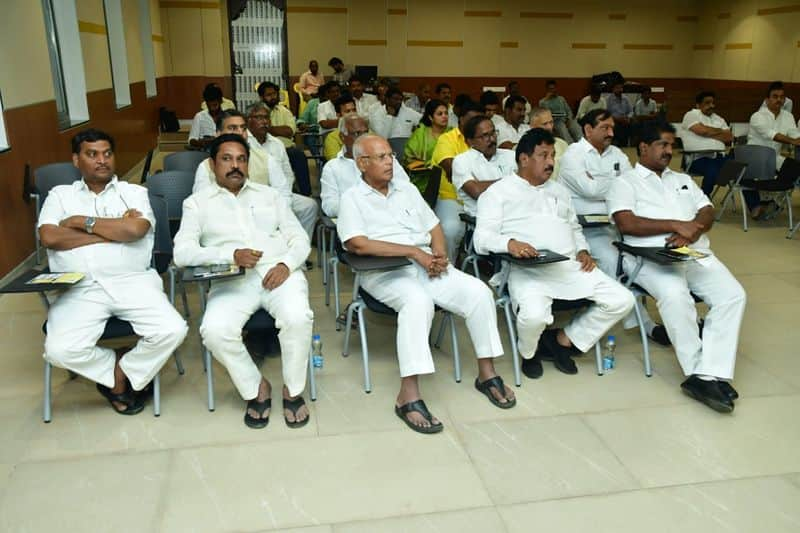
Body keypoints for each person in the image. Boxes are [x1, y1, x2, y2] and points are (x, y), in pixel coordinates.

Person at [337, 135, 513, 433]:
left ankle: (486, 373)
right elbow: (357, 244)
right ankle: (408, 395)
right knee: (418, 303)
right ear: (362, 163)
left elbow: (433, 226)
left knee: (480, 293)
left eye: (390, 155)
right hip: (384, 272)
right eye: (380, 157)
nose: (390, 161)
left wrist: (440, 253)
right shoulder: (352, 198)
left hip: (426, 266)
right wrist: (414, 252)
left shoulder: (406, 190)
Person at [39, 129, 188, 414]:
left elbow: (134, 229)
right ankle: (123, 373)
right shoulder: (60, 195)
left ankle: (119, 377)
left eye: (107, 153)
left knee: (173, 329)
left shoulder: (134, 193)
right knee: (58, 350)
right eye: (92, 154)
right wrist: (111, 231)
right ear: (76, 160)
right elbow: (50, 237)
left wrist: (79, 222)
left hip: (133, 282)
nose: (102, 160)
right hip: (80, 288)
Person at [174, 134, 314, 428]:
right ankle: (256, 387)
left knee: (298, 318)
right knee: (214, 331)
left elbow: (299, 239)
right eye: (227, 159)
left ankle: (293, 389)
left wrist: (286, 265)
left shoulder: (270, 196)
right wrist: (230, 254)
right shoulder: (196, 204)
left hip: (279, 272)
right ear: (212, 165)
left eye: (241, 159)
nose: (235, 166)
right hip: (231, 279)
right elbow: (182, 253)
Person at [608, 122, 746, 413]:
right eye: (663, 145)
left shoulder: (681, 178)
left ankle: (709, 372)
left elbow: (706, 209)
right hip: (649, 256)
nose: (669, 151)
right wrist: (674, 224)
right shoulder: (625, 183)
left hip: (693, 251)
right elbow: (626, 223)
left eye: (672, 145)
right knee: (675, 296)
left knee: (733, 295)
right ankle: (698, 373)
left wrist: (693, 230)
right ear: (643, 147)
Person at [474, 128, 634, 378]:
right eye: (543, 155)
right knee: (534, 317)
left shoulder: (559, 190)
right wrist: (510, 243)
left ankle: (562, 339)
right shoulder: (498, 193)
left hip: (570, 267)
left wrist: (583, 249)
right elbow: (481, 239)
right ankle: (529, 352)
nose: (551, 162)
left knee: (622, 300)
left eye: (552, 156)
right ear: (524, 159)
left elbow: (573, 226)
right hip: (528, 271)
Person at [558, 109, 668, 345]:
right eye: (604, 128)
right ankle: (643, 323)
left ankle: (643, 313)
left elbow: (634, 187)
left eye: (612, 127)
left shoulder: (617, 153)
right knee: (613, 260)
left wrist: (601, 183)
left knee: (641, 258)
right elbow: (589, 190)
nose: (611, 132)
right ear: (587, 130)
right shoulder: (572, 155)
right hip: (582, 229)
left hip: (615, 224)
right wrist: (616, 184)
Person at [245, 104, 320, 242]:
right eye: (259, 118)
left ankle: (299, 250)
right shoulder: (243, 142)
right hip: (253, 196)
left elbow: (288, 173)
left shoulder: (277, 143)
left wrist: (283, 194)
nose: (264, 122)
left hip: (280, 193)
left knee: (309, 206)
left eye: (266, 118)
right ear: (248, 120)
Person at [320, 114, 410, 217]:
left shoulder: (387, 158)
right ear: (342, 137)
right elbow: (329, 206)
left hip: (391, 216)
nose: (363, 138)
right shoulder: (332, 168)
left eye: (365, 132)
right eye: (357, 133)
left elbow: (405, 188)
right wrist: (364, 206)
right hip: (356, 222)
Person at [430, 100, 485, 261]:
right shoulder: (447, 139)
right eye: (471, 119)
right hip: (452, 198)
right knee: (450, 230)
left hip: (482, 199)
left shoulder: (483, 140)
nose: (475, 124)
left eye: (479, 120)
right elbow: (451, 168)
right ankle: (448, 267)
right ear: (460, 119)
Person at [747, 81, 800, 218]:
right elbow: (771, 135)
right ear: (767, 99)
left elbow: (793, 132)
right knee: (747, 174)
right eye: (775, 96)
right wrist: (793, 141)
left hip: (774, 158)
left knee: (795, 167)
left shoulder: (788, 116)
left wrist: (797, 139)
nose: (779, 100)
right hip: (755, 158)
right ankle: (763, 201)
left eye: (782, 97)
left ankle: (775, 200)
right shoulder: (757, 116)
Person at [452, 115, 517, 216]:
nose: (492, 139)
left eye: (493, 133)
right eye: (485, 136)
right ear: (470, 141)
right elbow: (476, 191)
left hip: (515, 214)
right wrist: (513, 182)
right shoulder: (462, 161)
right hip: (484, 220)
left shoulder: (511, 155)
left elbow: (529, 183)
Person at [257, 81, 312, 196]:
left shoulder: (284, 111)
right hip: (262, 150)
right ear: (261, 97)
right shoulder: (256, 112)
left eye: (274, 94)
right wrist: (279, 130)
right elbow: (257, 132)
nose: (273, 97)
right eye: (268, 95)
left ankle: (306, 193)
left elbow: (289, 131)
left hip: (286, 149)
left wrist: (268, 129)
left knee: (299, 155)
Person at [681, 91, 733, 197]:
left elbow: (729, 137)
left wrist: (708, 132)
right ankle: (704, 198)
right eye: (707, 103)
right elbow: (702, 131)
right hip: (696, 159)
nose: (711, 106)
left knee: (739, 167)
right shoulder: (691, 114)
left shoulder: (718, 118)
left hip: (718, 157)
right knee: (713, 169)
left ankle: (755, 206)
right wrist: (720, 132)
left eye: (712, 103)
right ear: (698, 105)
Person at [403, 98, 451, 169]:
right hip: (423, 174)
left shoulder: (452, 132)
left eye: (446, 113)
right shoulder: (421, 133)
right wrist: (427, 164)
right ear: (430, 117)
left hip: (447, 174)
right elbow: (408, 156)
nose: (444, 116)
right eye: (440, 114)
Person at [530, 107, 568, 180]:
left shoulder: (562, 144)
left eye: (551, 122)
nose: (549, 127)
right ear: (533, 127)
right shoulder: (524, 148)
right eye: (544, 124)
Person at [189, 84, 225, 149]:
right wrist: (202, 142)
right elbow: (191, 139)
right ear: (206, 103)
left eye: (215, 105)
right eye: (209, 106)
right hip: (204, 151)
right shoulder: (199, 116)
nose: (212, 109)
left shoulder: (227, 117)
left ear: (221, 102)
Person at [322, 94, 357, 161]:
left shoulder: (367, 132)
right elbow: (336, 163)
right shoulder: (332, 138)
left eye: (354, 110)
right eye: (348, 111)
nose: (352, 114)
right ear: (338, 115)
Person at [606, 82, 633, 146]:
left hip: (625, 120)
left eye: (621, 88)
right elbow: (607, 113)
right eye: (617, 88)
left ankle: (626, 145)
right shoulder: (608, 99)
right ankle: (617, 144)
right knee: (617, 128)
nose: (620, 90)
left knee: (632, 125)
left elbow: (631, 111)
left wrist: (628, 117)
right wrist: (616, 119)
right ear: (613, 89)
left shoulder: (626, 98)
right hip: (614, 121)